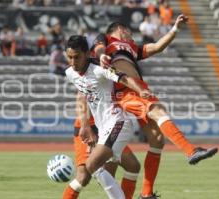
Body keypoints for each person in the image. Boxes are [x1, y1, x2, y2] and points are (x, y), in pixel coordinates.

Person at [92, 15, 218, 199]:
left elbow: (157, 47)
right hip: (125, 90)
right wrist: (102, 54)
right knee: (158, 111)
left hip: (138, 89)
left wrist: (175, 29)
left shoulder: (132, 48)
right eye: (127, 31)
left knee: (157, 139)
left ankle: (147, 193)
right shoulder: (108, 39)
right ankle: (191, 151)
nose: (131, 35)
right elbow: (98, 45)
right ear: (120, 29)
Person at [64, 35, 153, 199]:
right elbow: (83, 94)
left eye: (77, 57)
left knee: (92, 166)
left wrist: (141, 91)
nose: (73, 61)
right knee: (112, 168)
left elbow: (124, 78)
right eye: (69, 57)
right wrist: (86, 125)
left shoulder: (100, 68)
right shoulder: (70, 73)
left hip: (118, 122)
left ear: (87, 54)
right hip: (103, 127)